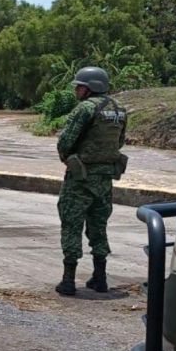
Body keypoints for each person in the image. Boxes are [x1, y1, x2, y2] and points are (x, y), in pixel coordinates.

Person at [55, 67, 127, 296]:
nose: (77, 90)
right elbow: (120, 142)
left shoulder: (85, 108)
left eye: (79, 86)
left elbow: (65, 142)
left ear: (89, 88)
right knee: (99, 226)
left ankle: (68, 281)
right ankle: (100, 278)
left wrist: (70, 157)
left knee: (71, 224)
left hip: (81, 179)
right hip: (105, 179)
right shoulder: (119, 110)